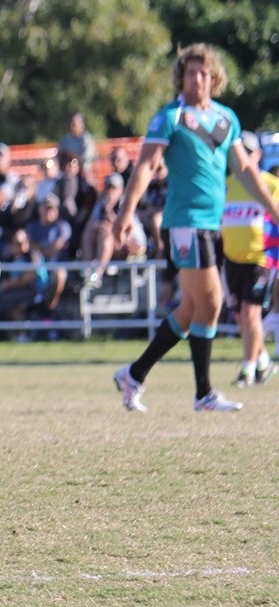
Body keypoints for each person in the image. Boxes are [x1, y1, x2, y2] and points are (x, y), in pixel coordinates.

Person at [112, 44, 279, 412]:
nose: (197, 79)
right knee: (212, 302)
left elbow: (245, 171)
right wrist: (125, 214)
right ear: (181, 77)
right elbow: (144, 166)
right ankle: (203, 393)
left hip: (211, 225)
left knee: (191, 308)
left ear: (214, 77)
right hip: (185, 222)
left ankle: (133, 375)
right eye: (190, 72)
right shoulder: (169, 118)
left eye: (203, 72)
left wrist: (274, 209)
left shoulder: (225, 119)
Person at [221, 132, 279, 386]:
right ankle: (264, 362)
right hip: (232, 259)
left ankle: (248, 371)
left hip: (262, 258)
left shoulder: (270, 184)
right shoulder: (227, 184)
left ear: (257, 155)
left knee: (250, 312)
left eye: (247, 151)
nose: (241, 156)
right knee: (241, 316)